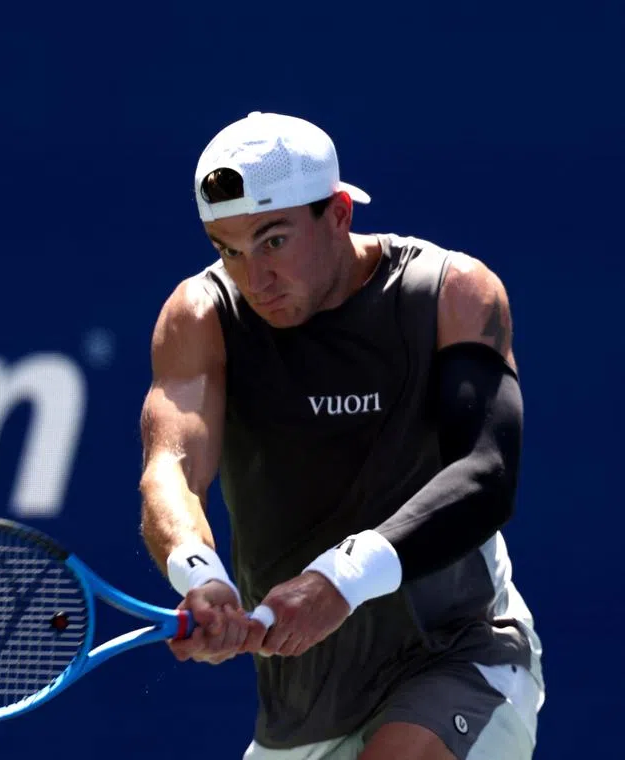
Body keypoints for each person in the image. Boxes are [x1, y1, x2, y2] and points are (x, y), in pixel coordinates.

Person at [137, 112, 545, 760]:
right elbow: (171, 471)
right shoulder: (200, 317)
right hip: (302, 707)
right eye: (228, 249)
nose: (254, 278)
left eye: (273, 241)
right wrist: (200, 575)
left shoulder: (452, 293)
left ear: (337, 213)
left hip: (458, 651)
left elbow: (486, 473)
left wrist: (340, 581)